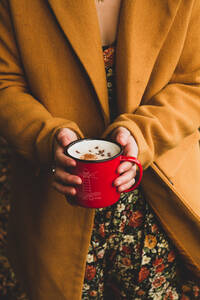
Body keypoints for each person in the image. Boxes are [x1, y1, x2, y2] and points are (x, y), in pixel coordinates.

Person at [0, 0, 199, 299]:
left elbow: (193, 82)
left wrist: (143, 133)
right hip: (56, 212)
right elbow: (5, 83)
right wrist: (44, 137)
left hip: (160, 206)